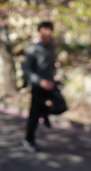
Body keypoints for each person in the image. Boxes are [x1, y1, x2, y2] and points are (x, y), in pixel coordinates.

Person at [22, 21, 67, 152]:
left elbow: (52, 65)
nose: (48, 33)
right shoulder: (33, 49)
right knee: (34, 116)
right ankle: (28, 139)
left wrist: (56, 76)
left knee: (61, 105)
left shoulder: (52, 47)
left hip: (51, 84)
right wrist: (40, 81)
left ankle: (44, 112)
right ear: (39, 33)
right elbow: (26, 68)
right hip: (38, 87)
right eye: (45, 30)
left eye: (50, 30)